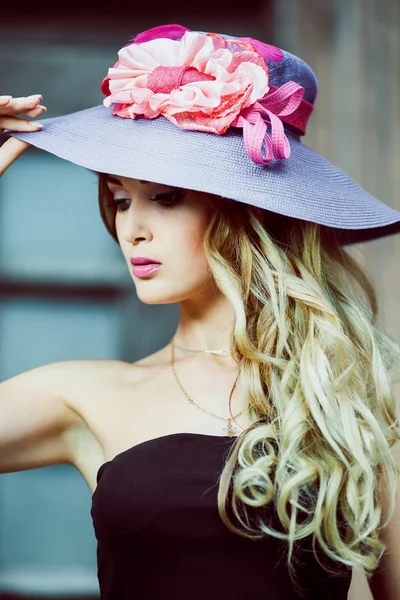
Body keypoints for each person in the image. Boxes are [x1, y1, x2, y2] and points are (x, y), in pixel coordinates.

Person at [0, 22, 400, 600]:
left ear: (245, 213)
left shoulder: (352, 395)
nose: (131, 229)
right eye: (118, 200)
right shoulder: (86, 395)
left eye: (165, 199)